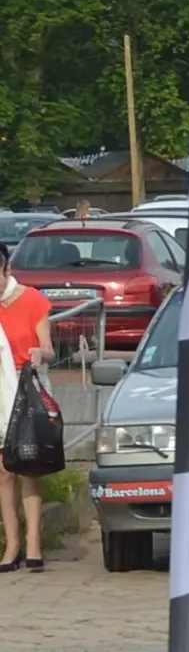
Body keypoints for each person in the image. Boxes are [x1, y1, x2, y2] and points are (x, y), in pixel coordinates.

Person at [0, 246, 56, 574]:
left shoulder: (32, 300)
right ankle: (13, 545)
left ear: (6, 270)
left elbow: (48, 349)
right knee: (4, 473)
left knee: (29, 468)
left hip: (25, 393)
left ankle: (34, 543)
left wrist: (40, 352)